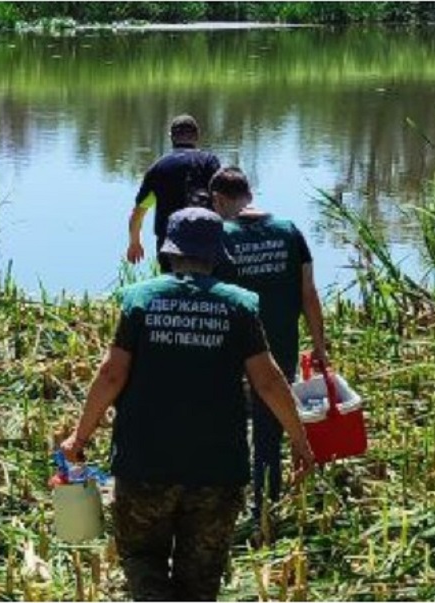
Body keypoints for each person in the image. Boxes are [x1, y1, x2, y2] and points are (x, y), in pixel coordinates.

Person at [61, 207, 316, 601]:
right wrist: (300, 440)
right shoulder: (238, 306)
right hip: (216, 471)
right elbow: (268, 381)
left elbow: (111, 375)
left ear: (168, 252)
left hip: (145, 465)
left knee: (143, 560)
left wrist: (79, 438)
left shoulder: (141, 301)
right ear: (216, 256)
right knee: (200, 580)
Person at [208, 166, 331, 524]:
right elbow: (309, 293)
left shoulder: (220, 236)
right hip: (280, 345)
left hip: (231, 350)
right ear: (248, 194)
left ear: (218, 199)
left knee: (226, 422)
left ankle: (226, 498)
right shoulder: (289, 232)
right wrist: (320, 346)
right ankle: (266, 502)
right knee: (270, 423)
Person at [126, 115, 221, 273]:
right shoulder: (210, 162)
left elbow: (138, 212)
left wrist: (134, 242)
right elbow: (225, 199)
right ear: (197, 135)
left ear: (171, 137)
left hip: (170, 246)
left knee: (172, 292)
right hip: (205, 241)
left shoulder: (158, 168)